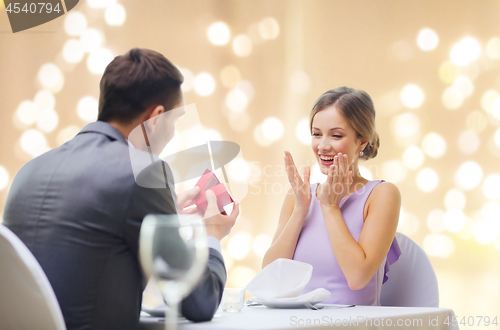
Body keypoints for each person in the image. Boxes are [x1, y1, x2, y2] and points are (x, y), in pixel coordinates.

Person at [3, 48, 239, 329]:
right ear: (155, 118)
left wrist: (161, 219)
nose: (174, 132)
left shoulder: (28, 170)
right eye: (176, 120)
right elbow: (200, 302)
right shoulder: (144, 172)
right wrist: (212, 234)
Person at [262, 86, 401, 306]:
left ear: (362, 141)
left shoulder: (381, 194)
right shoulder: (300, 196)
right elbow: (270, 278)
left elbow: (358, 277)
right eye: (317, 134)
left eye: (336, 135)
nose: (323, 146)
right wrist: (300, 209)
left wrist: (330, 207)